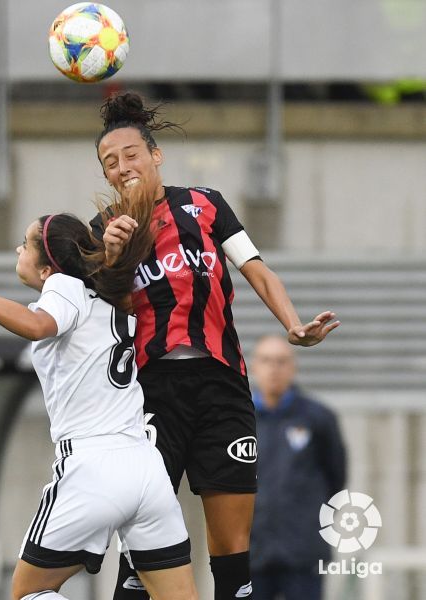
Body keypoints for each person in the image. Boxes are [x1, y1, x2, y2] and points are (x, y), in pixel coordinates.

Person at [94, 91, 340, 600]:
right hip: (150, 396)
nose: (122, 167)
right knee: (142, 553)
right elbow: (106, 311)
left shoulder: (205, 203)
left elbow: (255, 268)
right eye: (109, 162)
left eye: (131, 154)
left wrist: (293, 325)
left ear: (155, 155)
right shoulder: (104, 230)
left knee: (232, 552)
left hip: (223, 388)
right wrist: (114, 257)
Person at [0, 199, 198, 600]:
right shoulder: (111, 299)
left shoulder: (65, 285)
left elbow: (39, 326)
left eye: (25, 243)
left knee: (25, 595)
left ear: (46, 267)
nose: (18, 249)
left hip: (92, 467)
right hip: (147, 468)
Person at [249, 334, 346, 600]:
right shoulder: (238, 420)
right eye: (267, 361)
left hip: (303, 552)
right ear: (254, 366)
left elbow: (336, 477)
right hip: (251, 550)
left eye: (282, 361)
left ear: (293, 367)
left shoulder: (319, 418)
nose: (274, 369)